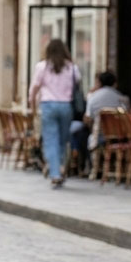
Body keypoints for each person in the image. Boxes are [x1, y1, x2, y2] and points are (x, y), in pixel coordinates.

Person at [28, 38, 79, 188]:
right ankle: (60, 166)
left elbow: (34, 90)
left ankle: (55, 172)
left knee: (51, 139)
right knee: (62, 139)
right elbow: (77, 85)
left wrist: (33, 107)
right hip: (66, 106)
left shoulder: (42, 67)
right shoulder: (72, 68)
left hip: (48, 105)